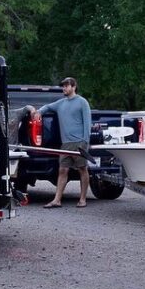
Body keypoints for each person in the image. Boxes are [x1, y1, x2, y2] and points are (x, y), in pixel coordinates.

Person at [30, 77, 92, 208]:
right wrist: (38, 112)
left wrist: (85, 142)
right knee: (62, 170)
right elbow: (47, 107)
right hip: (65, 145)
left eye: (66, 86)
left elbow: (88, 123)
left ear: (74, 87)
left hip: (79, 143)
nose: (64, 88)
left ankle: (82, 199)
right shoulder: (60, 103)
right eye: (63, 86)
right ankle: (57, 200)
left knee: (82, 169)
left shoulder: (82, 102)